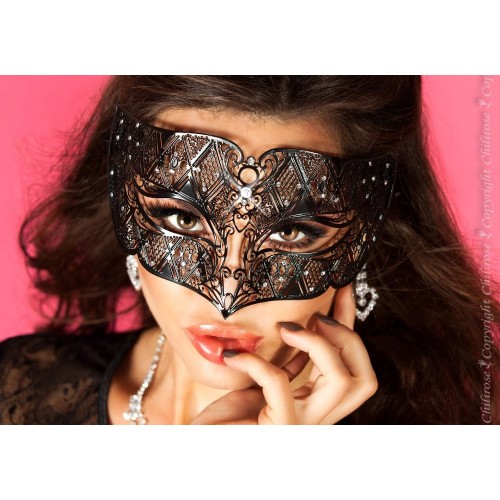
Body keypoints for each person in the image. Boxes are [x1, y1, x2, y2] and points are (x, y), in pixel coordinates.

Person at [0, 76, 499, 424]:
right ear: (124, 204)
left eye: (292, 232)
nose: (227, 292)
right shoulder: (20, 391)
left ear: (366, 239)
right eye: (184, 218)